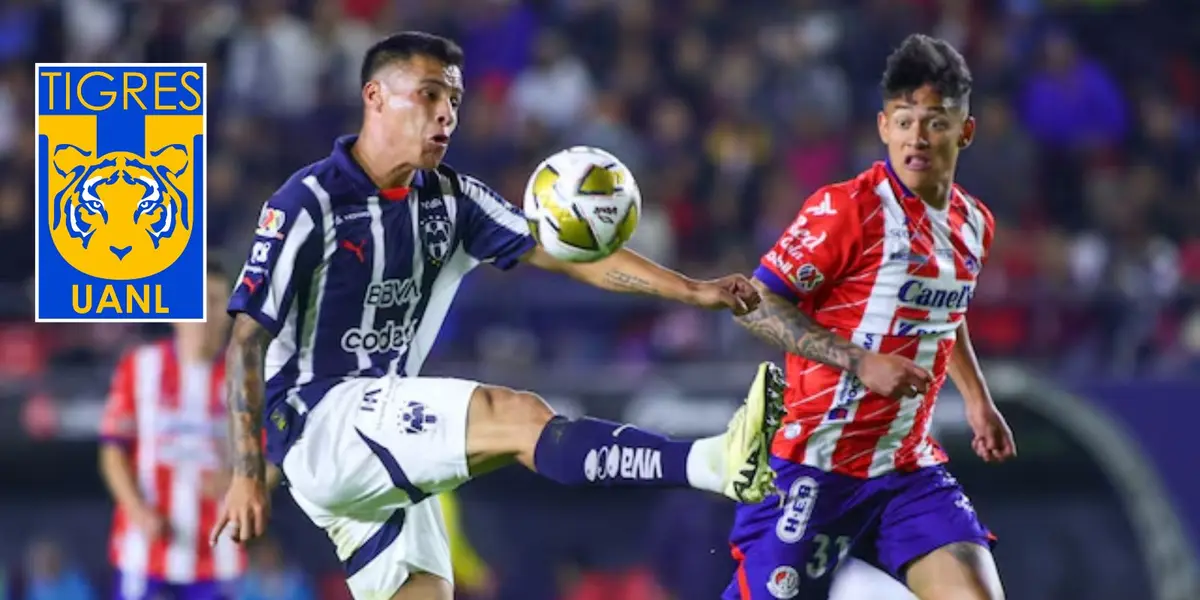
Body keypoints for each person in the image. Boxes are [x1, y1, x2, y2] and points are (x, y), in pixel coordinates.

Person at [212, 31, 786, 600]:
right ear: (376, 96)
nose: (446, 116)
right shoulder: (307, 201)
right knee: (515, 414)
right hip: (321, 424)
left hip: (375, 434)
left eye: (455, 102)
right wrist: (246, 472)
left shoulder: (454, 199)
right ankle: (712, 462)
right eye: (430, 95)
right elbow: (245, 343)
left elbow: (568, 256)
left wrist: (691, 290)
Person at [725, 34, 1016, 600]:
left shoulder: (974, 224)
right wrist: (859, 361)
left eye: (935, 122)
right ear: (884, 128)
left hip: (906, 470)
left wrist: (978, 400)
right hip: (812, 465)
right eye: (905, 122)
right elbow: (753, 303)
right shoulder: (847, 210)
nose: (918, 138)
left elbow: (943, 313)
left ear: (965, 131)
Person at [99, 261, 244, 599]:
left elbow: (269, 460)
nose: (205, 313)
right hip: (144, 552)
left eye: (214, 301)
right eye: (197, 300)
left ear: (228, 312)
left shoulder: (243, 379)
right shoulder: (140, 367)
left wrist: (240, 482)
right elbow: (113, 451)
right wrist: (137, 509)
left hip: (216, 556)